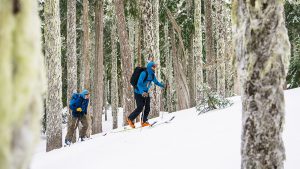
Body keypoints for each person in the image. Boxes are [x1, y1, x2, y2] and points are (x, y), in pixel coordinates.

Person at [127, 61, 165, 128]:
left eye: (155, 67)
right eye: (153, 67)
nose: (154, 68)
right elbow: (139, 84)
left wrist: (163, 85)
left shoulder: (152, 75)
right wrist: (142, 92)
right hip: (138, 92)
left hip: (146, 93)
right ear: (150, 67)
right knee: (140, 107)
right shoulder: (144, 73)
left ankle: (144, 122)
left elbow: (156, 82)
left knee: (147, 107)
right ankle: (130, 119)